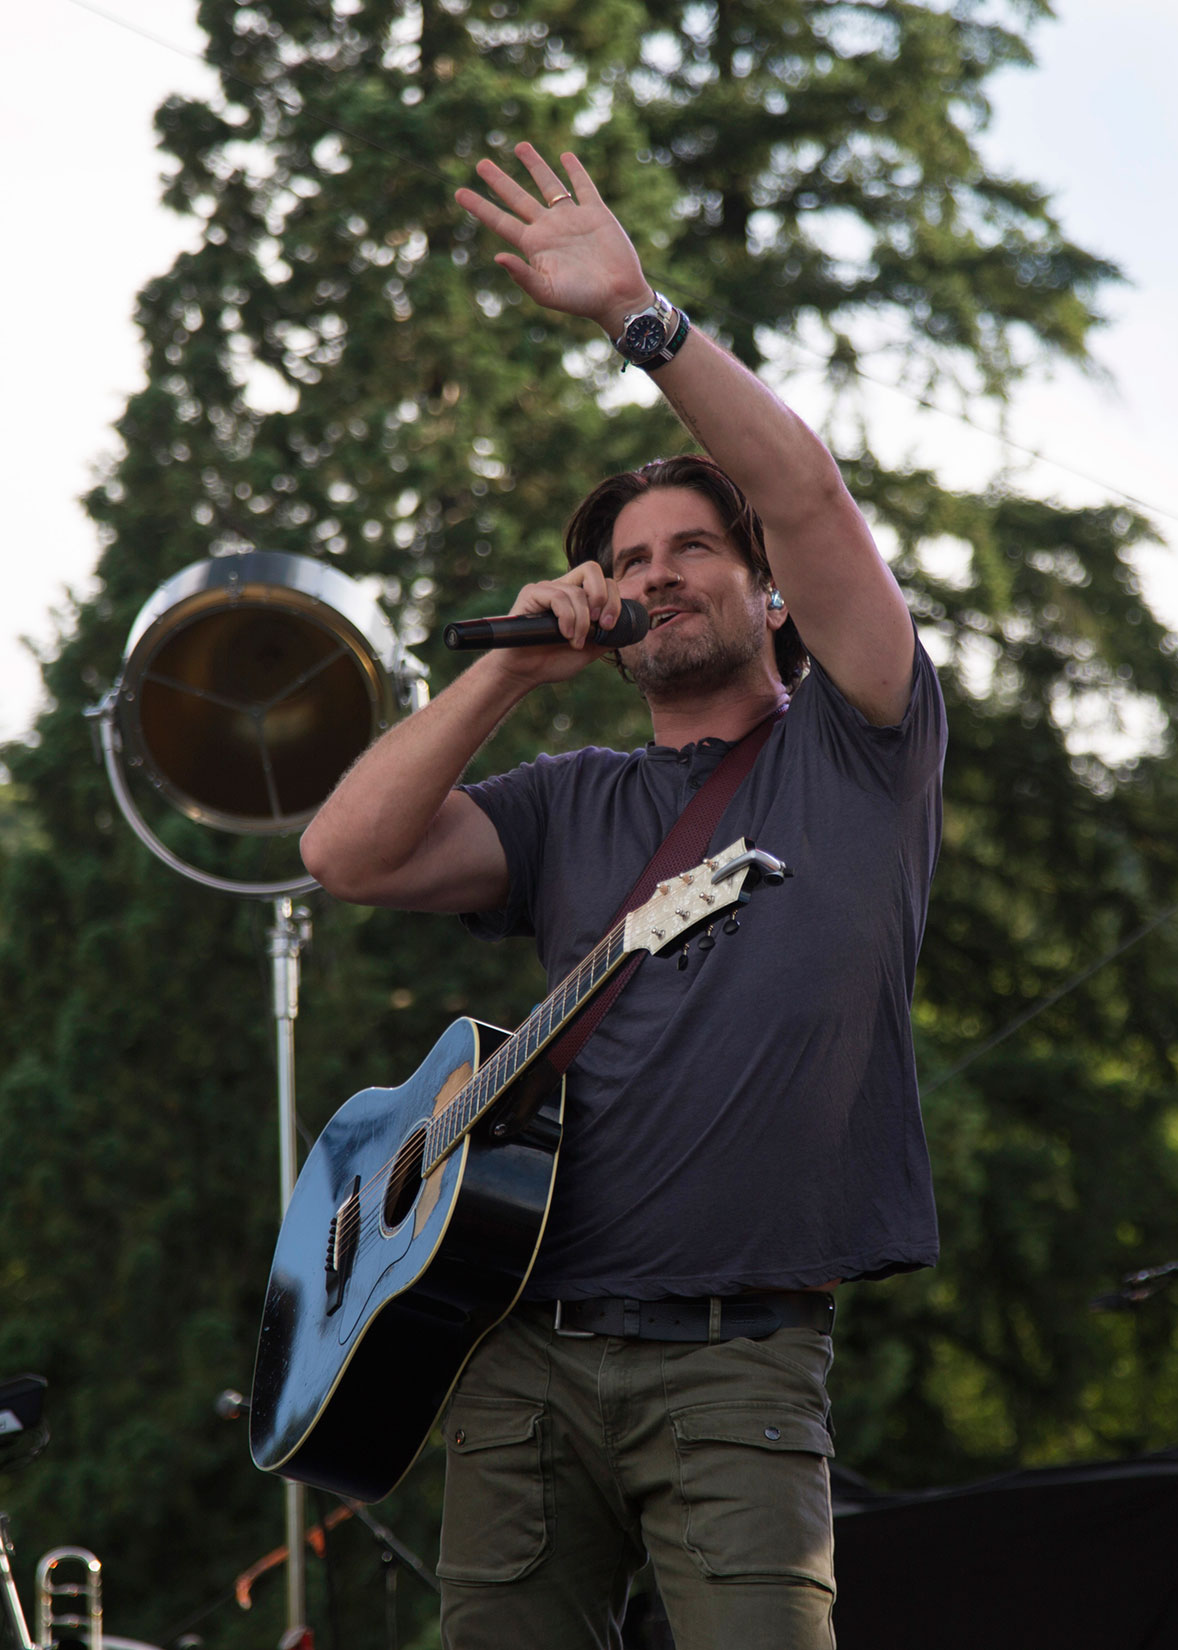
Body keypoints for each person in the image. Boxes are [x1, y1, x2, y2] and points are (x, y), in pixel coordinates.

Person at [300, 142, 947, 1650]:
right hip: (516, 1353)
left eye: (693, 549)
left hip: (740, 1365)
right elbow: (347, 853)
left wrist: (640, 321)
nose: (656, 574)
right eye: (627, 559)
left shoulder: (863, 735)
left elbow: (809, 487)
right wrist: (513, 665)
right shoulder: (568, 797)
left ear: (766, 585)